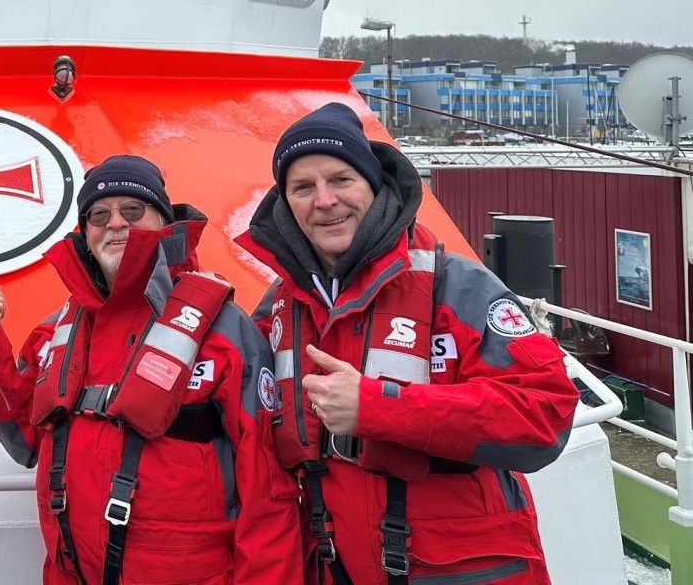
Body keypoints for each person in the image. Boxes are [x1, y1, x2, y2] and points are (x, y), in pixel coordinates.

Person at [235, 102, 580, 584]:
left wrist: (379, 407)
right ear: (286, 204)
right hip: (339, 564)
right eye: (303, 187)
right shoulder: (279, 308)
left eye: (341, 180)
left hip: (460, 569)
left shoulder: (458, 287)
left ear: (374, 187)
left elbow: (544, 416)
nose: (325, 200)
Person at [0, 156, 302, 585]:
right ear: (85, 234)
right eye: (99, 214)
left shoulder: (225, 331)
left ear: (162, 221)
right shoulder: (57, 329)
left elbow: (269, 494)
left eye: (133, 210)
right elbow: (25, 438)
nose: (115, 222)